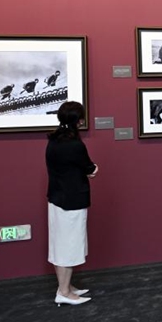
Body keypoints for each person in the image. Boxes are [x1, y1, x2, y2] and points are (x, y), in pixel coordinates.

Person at [46, 101, 98, 306]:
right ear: (79, 120)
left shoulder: (53, 141)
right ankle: (65, 292)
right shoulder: (75, 145)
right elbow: (90, 169)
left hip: (57, 198)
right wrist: (94, 169)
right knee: (69, 246)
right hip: (72, 201)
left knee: (60, 244)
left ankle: (64, 286)